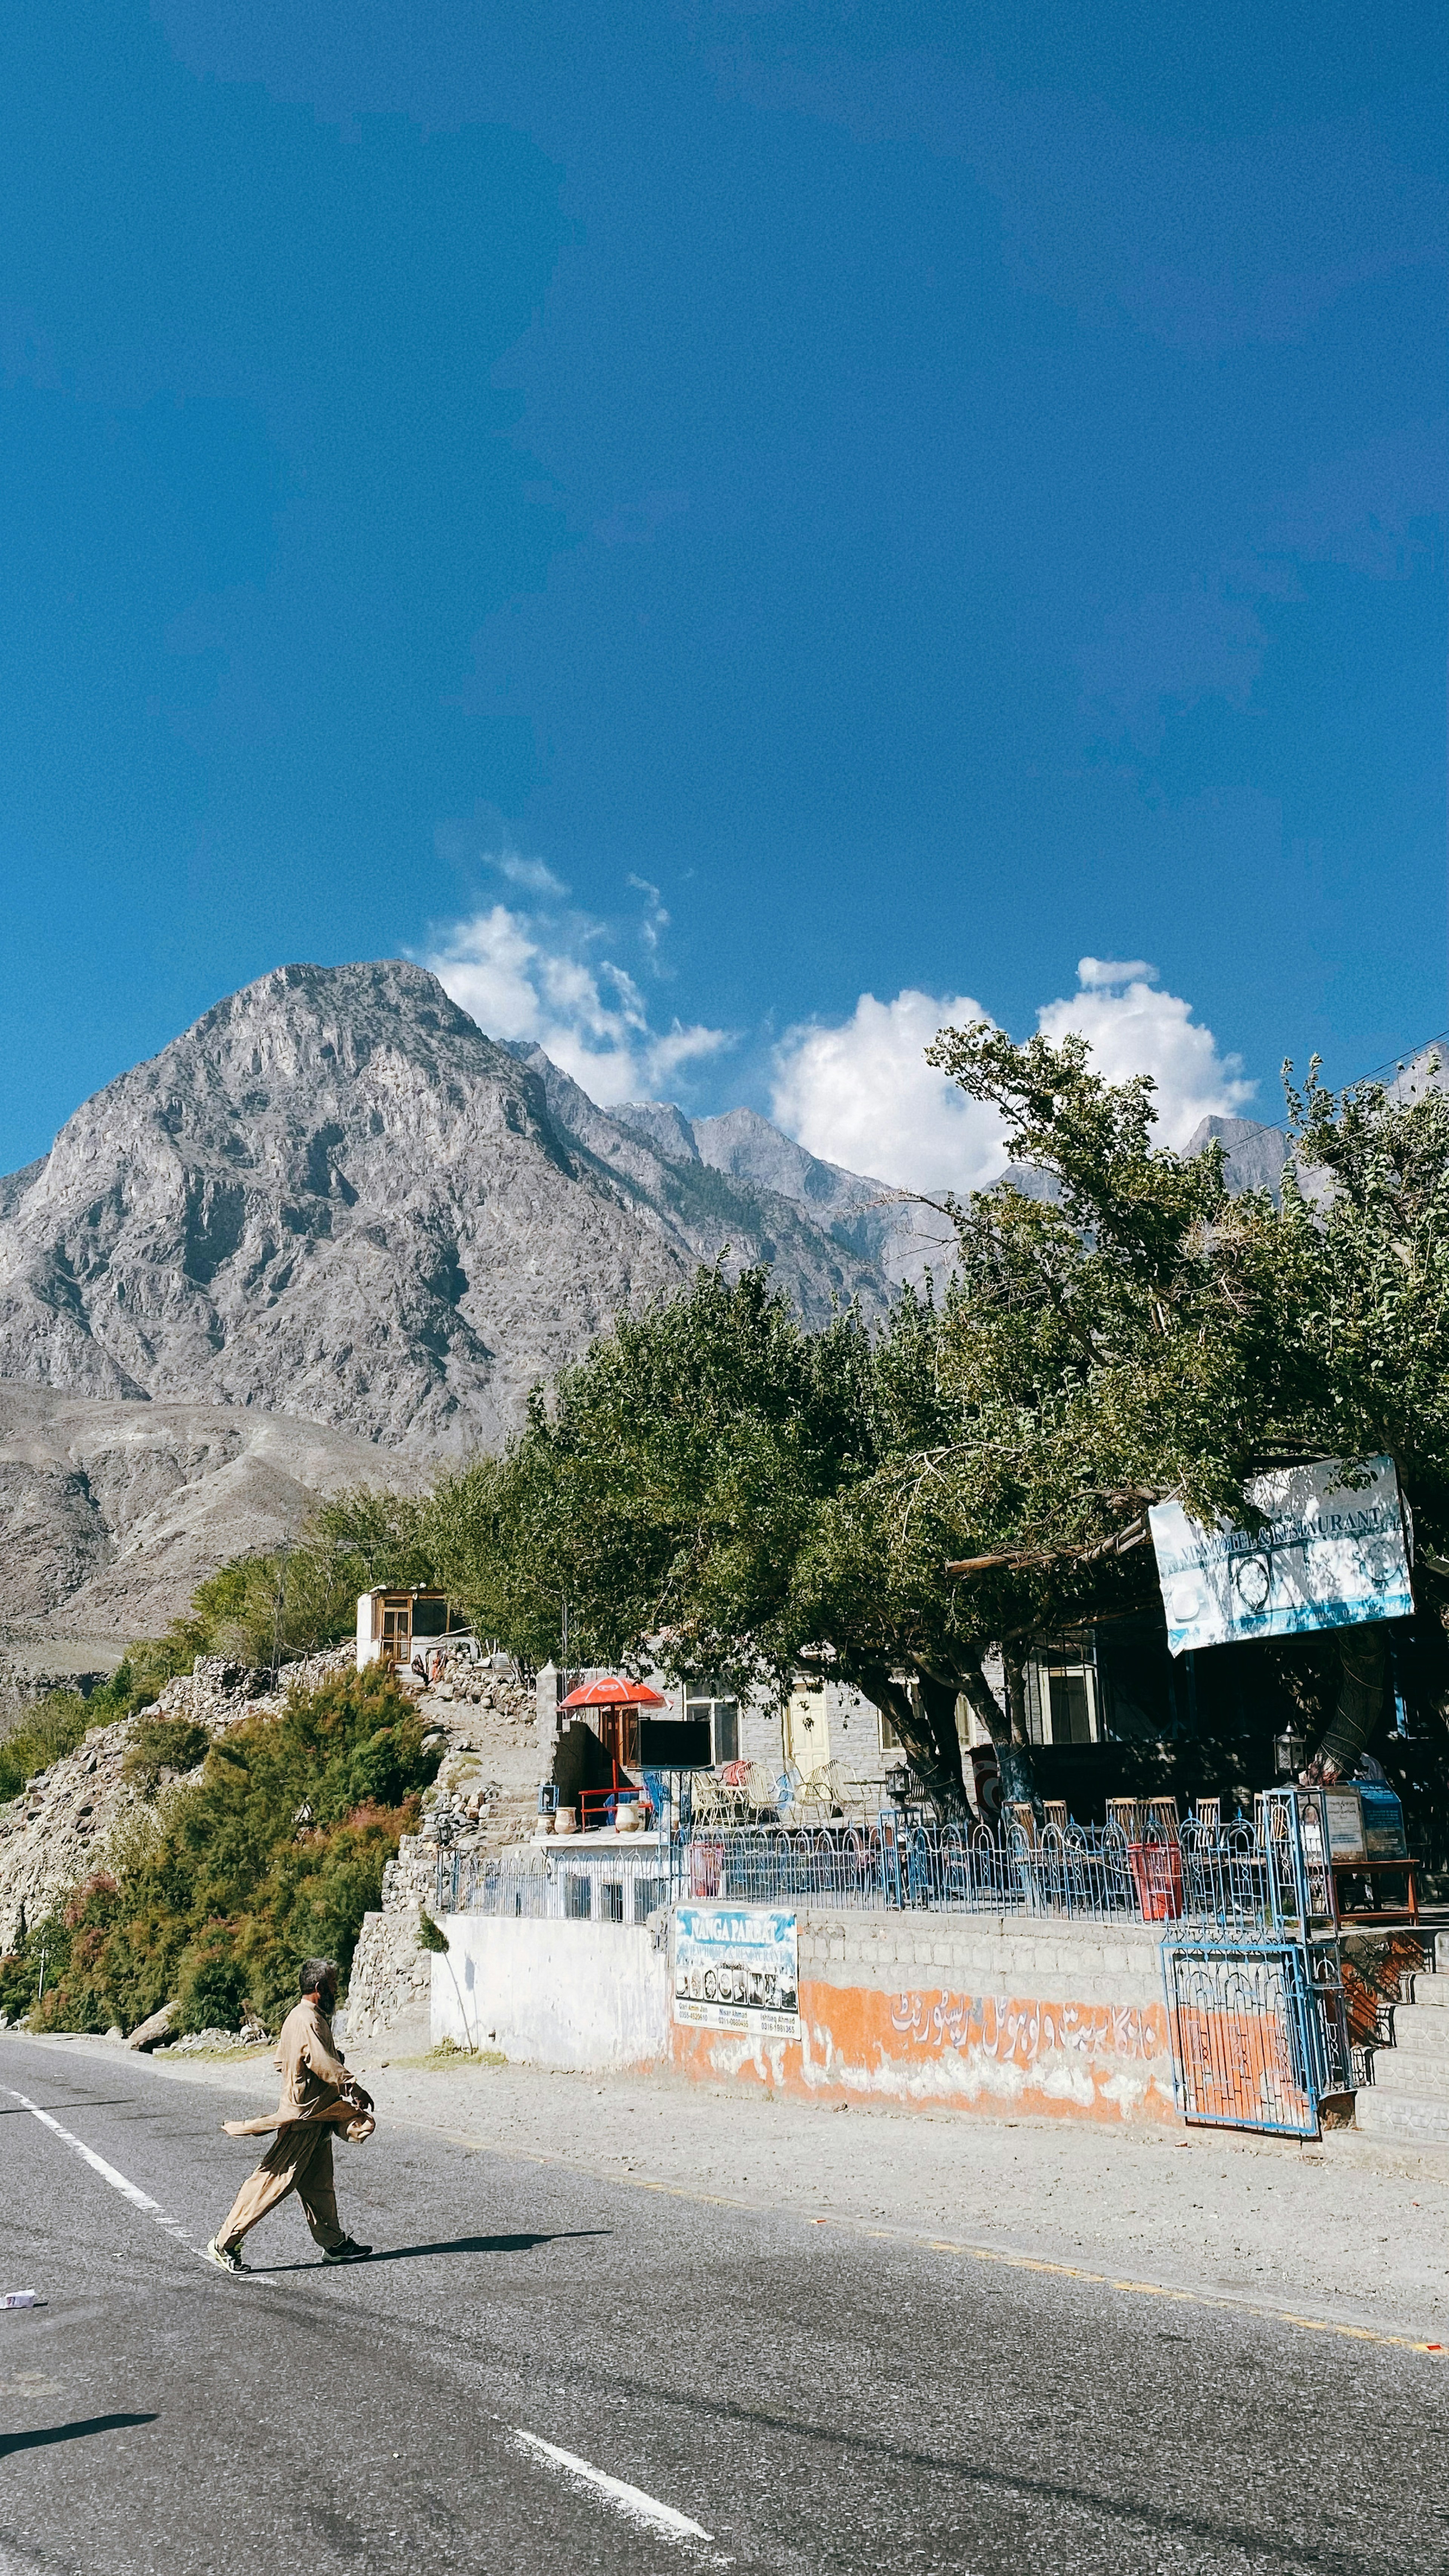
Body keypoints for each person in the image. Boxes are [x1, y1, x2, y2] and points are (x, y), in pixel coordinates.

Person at [205, 1958, 374, 2275]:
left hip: (318, 2116)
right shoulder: (308, 2020)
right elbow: (320, 2062)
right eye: (334, 1987)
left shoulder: (299, 2017)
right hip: (303, 2120)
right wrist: (352, 2085)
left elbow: (285, 2062)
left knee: (319, 2186)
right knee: (271, 2182)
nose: (337, 1991)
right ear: (319, 1988)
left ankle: (335, 2243)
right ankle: (224, 2242)